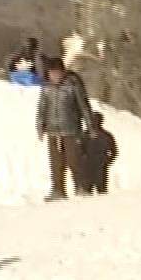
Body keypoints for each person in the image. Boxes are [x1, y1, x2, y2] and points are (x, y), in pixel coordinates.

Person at [36, 58, 90, 201]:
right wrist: (40, 125)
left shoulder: (73, 85)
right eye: (51, 73)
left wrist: (90, 125)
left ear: (63, 72)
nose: (54, 76)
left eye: (56, 72)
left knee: (74, 159)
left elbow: (83, 105)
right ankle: (58, 190)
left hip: (70, 128)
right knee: (56, 162)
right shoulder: (46, 87)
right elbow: (42, 107)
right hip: (52, 129)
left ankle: (80, 187)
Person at [79, 111, 117, 195]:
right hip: (91, 165)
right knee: (94, 190)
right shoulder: (86, 135)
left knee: (99, 189)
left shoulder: (105, 135)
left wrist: (108, 160)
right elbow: (80, 150)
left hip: (98, 165)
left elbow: (114, 151)